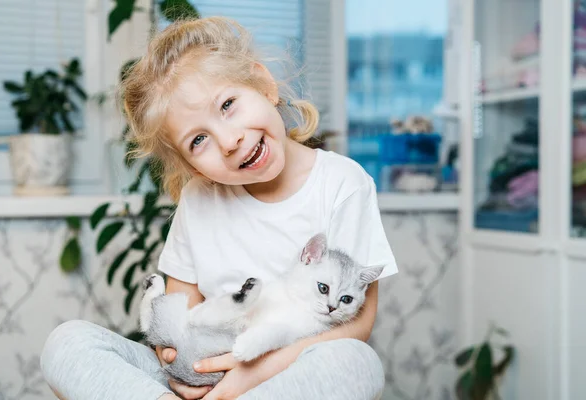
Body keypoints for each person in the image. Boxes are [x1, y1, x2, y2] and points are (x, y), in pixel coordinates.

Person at [40, 16, 398, 400]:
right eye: (198, 140)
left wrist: (249, 375)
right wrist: (174, 354)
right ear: (192, 166)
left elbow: (356, 327)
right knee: (68, 342)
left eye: (228, 104)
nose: (229, 140)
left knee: (356, 361)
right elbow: (182, 308)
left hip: (286, 373)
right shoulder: (199, 197)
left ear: (264, 85)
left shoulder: (342, 183)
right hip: (204, 367)